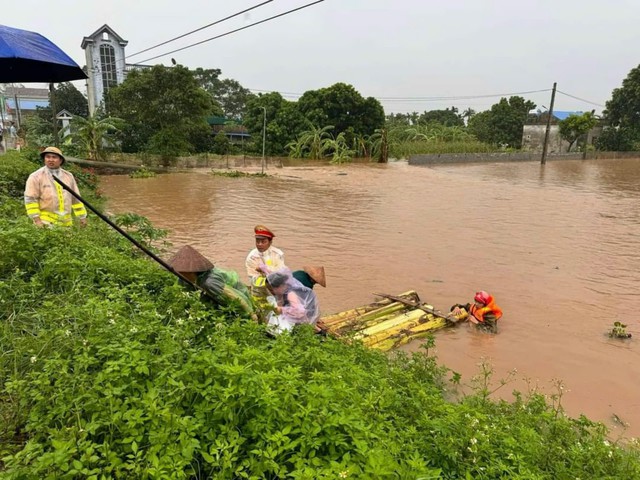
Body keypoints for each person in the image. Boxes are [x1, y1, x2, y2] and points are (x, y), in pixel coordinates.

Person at [168, 245, 254, 315]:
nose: (178, 273)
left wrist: (250, 314)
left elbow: (235, 297)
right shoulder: (183, 278)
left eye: (181, 271)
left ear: (191, 272)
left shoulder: (210, 282)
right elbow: (179, 294)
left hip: (235, 290)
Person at [24, 146, 88, 227]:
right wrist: (37, 220)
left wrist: (82, 217)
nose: (50, 160)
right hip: (46, 223)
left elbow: (76, 199)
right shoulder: (36, 176)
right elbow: (30, 200)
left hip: (67, 224)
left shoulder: (68, 176)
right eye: (47, 157)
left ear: (60, 160)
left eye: (54, 157)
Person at [265, 269, 320, 334]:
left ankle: (318, 331)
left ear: (281, 286)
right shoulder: (283, 289)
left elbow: (300, 313)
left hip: (306, 314)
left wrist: (282, 310)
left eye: (272, 290)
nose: (271, 292)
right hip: (297, 311)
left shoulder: (291, 294)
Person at [245, 225, 286, 298]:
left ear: (270, 242)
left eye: (263, 241)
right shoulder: (252, 257)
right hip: (259, 293)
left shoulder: (277, 254)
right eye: (257, 241)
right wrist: (267, 280)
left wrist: (266, 270)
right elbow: (253, 279)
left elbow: (281, 272)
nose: (259, 244)